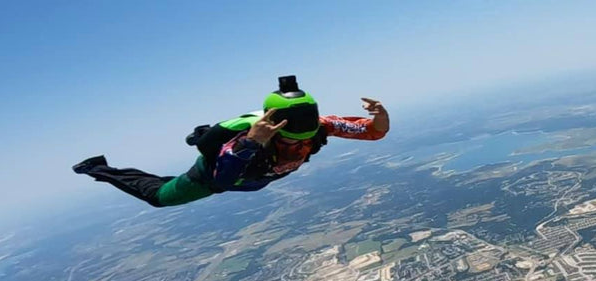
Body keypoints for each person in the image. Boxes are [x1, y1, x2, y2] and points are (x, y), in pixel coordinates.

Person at [73, 76, 388, 208]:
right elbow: (222, 180)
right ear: (277, 125)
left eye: (303, 140)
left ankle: (199, 133)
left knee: (206, 141)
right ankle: (99, 169)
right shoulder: (251, 135)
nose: (299, 144)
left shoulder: (320, 126)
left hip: (255, 176)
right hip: (210, 176)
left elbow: (373, 132)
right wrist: (250, 143)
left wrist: (380, 113)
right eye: (290, 138)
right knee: (159, 195)